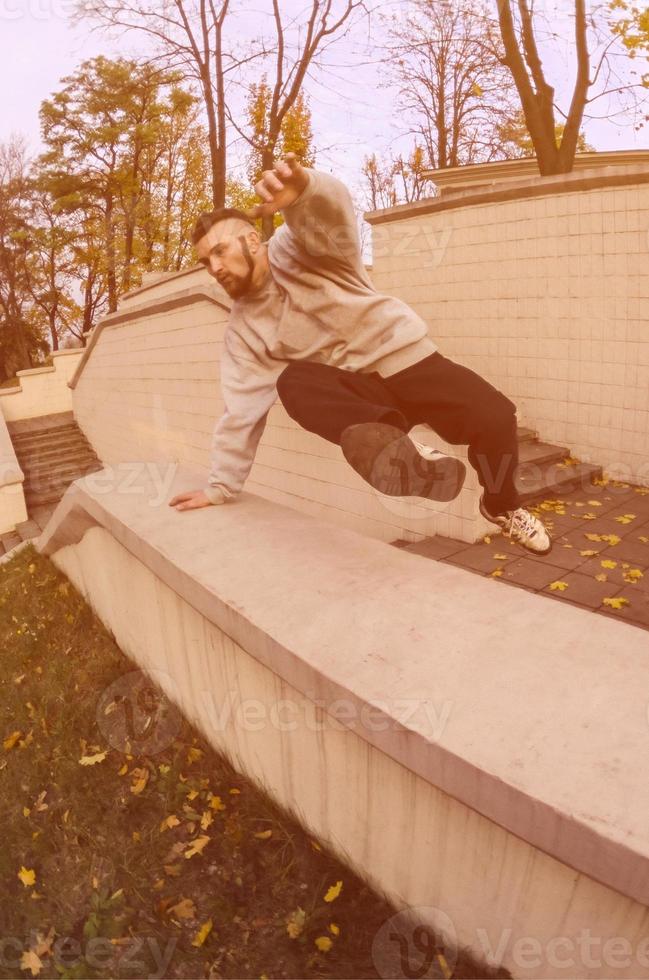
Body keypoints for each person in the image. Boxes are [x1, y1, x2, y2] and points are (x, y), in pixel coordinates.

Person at [169, 154, 551, 555]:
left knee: (496, 416)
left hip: (409, 361)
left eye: (219, 252)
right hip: (363, 395)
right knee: (293, 382)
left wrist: (303, 190)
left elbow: (330, 214)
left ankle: (501, 506)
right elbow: (240, 412)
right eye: (205, 262)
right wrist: (220, 487)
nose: (214, 268)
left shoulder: (300, 248)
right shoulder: (243, 331)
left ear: (250, 240)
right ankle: (399, 450)